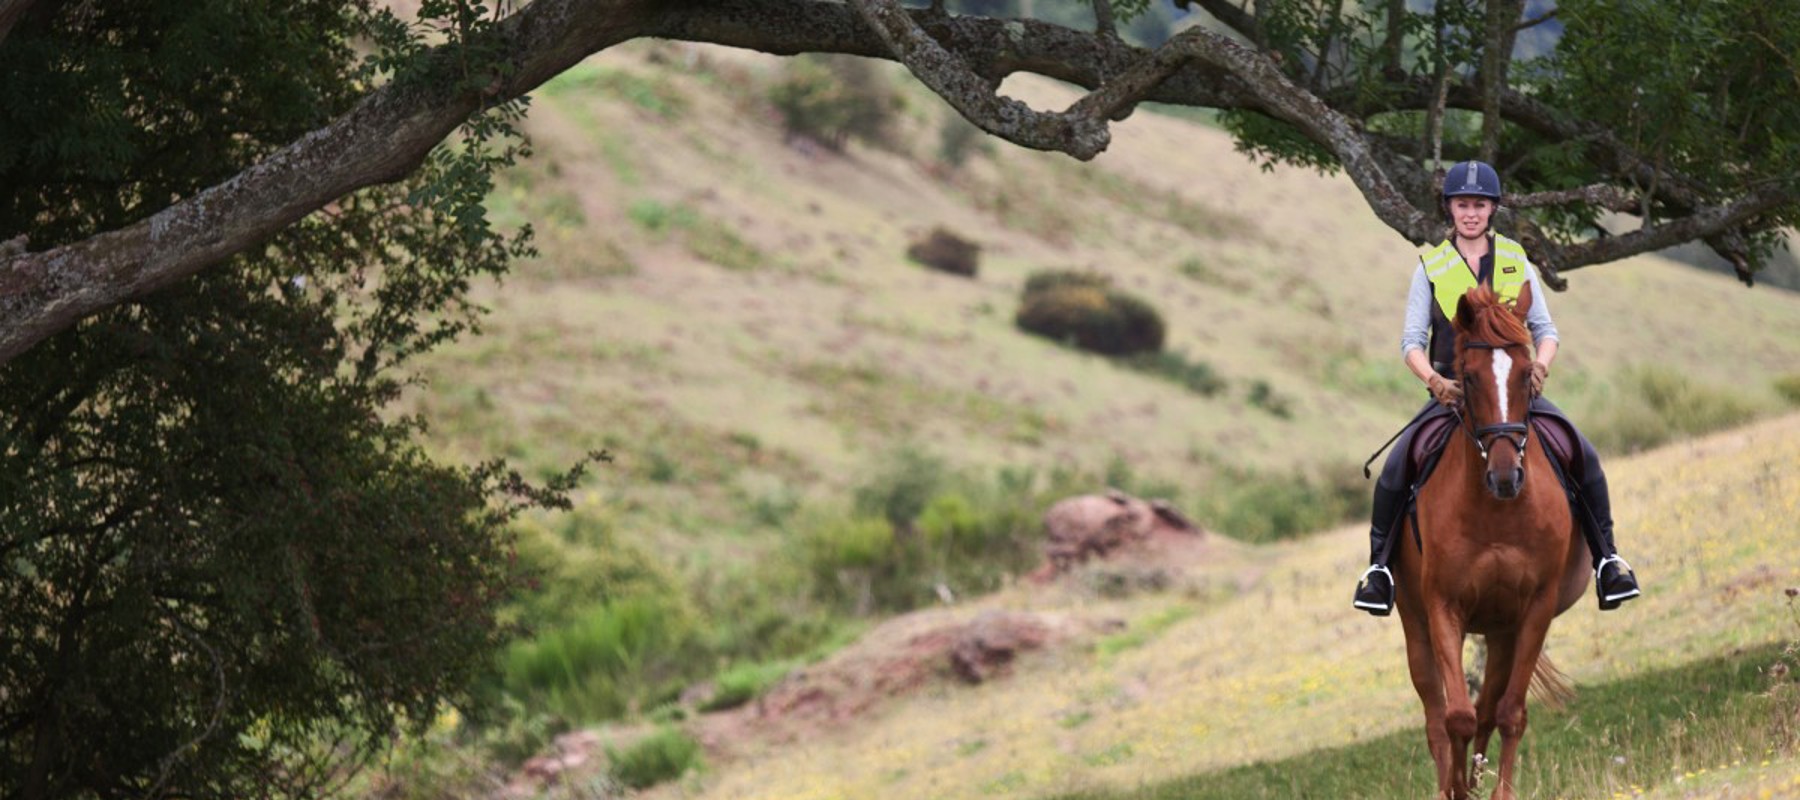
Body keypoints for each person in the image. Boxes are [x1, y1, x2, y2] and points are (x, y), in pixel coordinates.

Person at [1351, 160, 1642, 616]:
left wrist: (1540, 367)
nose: (1471, 213)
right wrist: (1434, 380)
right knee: (1395, 466)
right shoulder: (1431, 266)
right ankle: (1379, 571)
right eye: (1463, 204)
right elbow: (1411, 342)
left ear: (1493, 209)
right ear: (1450, 208)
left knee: (1581, 452)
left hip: (1514, 390)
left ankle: (1608, 559)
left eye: (1479, 205)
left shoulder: (1514, 259)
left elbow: (1545, 330)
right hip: (1455, 393)